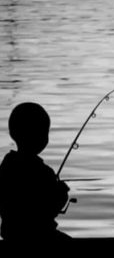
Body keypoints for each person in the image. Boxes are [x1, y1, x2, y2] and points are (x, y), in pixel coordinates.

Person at [0, 102, 71, 242]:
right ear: (42, 138)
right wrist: (61, 194)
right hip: (42, 236)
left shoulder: (6, 166)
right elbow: (49, 210)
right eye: (45, 132)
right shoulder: (44, 173)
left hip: (12, 236)